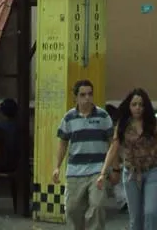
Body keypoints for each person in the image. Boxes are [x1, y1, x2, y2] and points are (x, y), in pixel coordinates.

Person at [98, 88, 157, 230]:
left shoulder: (154, 124)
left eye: (141, 104)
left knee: (151, 212)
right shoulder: (123, 125)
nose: (138, 108)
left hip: (153, 171)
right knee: (135, 217)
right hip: (131, 173)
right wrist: (103, 173)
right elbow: (113, 148)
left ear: (145, 107)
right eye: (134, 104)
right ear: (129, 106)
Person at [52, 79, 114, 230]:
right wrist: (57, 167)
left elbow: (113, 143)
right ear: (76, 97)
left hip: (97, 171)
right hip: (75, 171)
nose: (87, 98)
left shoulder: (103, 116)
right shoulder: (69, 118)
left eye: (90, 94)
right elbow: (63, 143)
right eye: (83, 94)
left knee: (97, 206)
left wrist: (113, 168)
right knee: (72, 210)